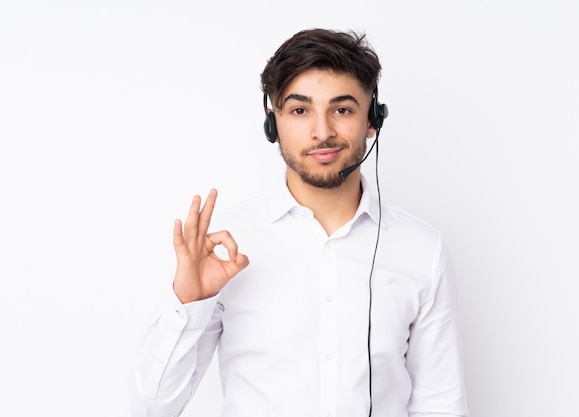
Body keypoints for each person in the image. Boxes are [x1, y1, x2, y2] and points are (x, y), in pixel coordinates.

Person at [129, 28, 469, 417]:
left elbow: (441, 404)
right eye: (299, 110)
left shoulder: (422, 250)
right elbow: (151, 407)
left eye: (342, 109)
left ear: (373, 119)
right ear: (272, 122)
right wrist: (187, 301)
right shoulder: (225, 246)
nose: (322, 132)